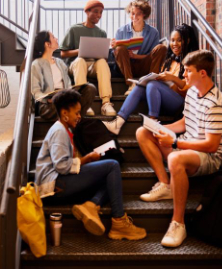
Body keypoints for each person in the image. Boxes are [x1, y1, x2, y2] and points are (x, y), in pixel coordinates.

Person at [136, 50, 222, 248]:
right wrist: (159, 129)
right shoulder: (192, 91)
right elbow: (184, 122)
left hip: (208, 157)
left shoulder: (216, 103)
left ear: (202, 73)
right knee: (143, 132)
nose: (183, 75)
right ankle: (165, 184)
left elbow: (212, 145)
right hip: (187, 144)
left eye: (188, 71)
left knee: (175, 159)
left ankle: (178, 223)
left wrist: (174, 144)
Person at [35, 89, 147, 240]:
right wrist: (86, 159)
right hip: (53, 187)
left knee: (109, 177)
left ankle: (92, 205)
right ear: (64, 113)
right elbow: (61, 166)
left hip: (57, 185)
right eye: (76, 113)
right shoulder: (59, 131)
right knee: (112, 165)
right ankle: (119, 220)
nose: (79, 117)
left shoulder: (64, 129)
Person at [105, 24, 199, 135]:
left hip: (180, 103)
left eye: (179, 40)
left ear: (187, 41)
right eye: (172, 40)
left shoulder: (193, 61)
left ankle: (152, 122)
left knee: (152, 84)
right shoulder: (169, 61)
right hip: (162, 99)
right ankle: (118, 122)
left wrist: (173, 78)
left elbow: (190, 88)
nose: (174, 44)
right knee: (141, 86)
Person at [59, 0, 116, 116]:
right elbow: (63, 53)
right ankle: (85, 103)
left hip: (93, 66)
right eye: (95, 12)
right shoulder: (74, 29)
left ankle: (106, 103)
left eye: (100, 13)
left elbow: (104, 59)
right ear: (87, 11)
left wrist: (102, 53)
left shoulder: (101, 33)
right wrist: (79, 51)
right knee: (80, 60)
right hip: (76, 65)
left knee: (101, 62)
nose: (99, 15)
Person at [31, 31, 96, 120]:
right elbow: (35, 92)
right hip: (50, 105)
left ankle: (73, 116)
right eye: (53, 37)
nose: (56, 39)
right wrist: (47, 99)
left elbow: (68, 84)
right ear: (47, 44)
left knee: (90, 88)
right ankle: (73, 118)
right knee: (62, 99)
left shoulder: (60, 62)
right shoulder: (36, 64)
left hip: (65, 97)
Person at [111, 0, 167, 96]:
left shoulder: (153, 32)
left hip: (144, 65)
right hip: (127, 67)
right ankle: (131, 84)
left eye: (138, 14)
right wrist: (114, 47)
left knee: (161, 48)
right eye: (132, 13)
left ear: (144, 14)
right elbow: (118, 56)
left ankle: (151, 82)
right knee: (119, 49)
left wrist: (136, 56)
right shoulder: (121, 31)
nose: (134, 17)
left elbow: (153, 55)